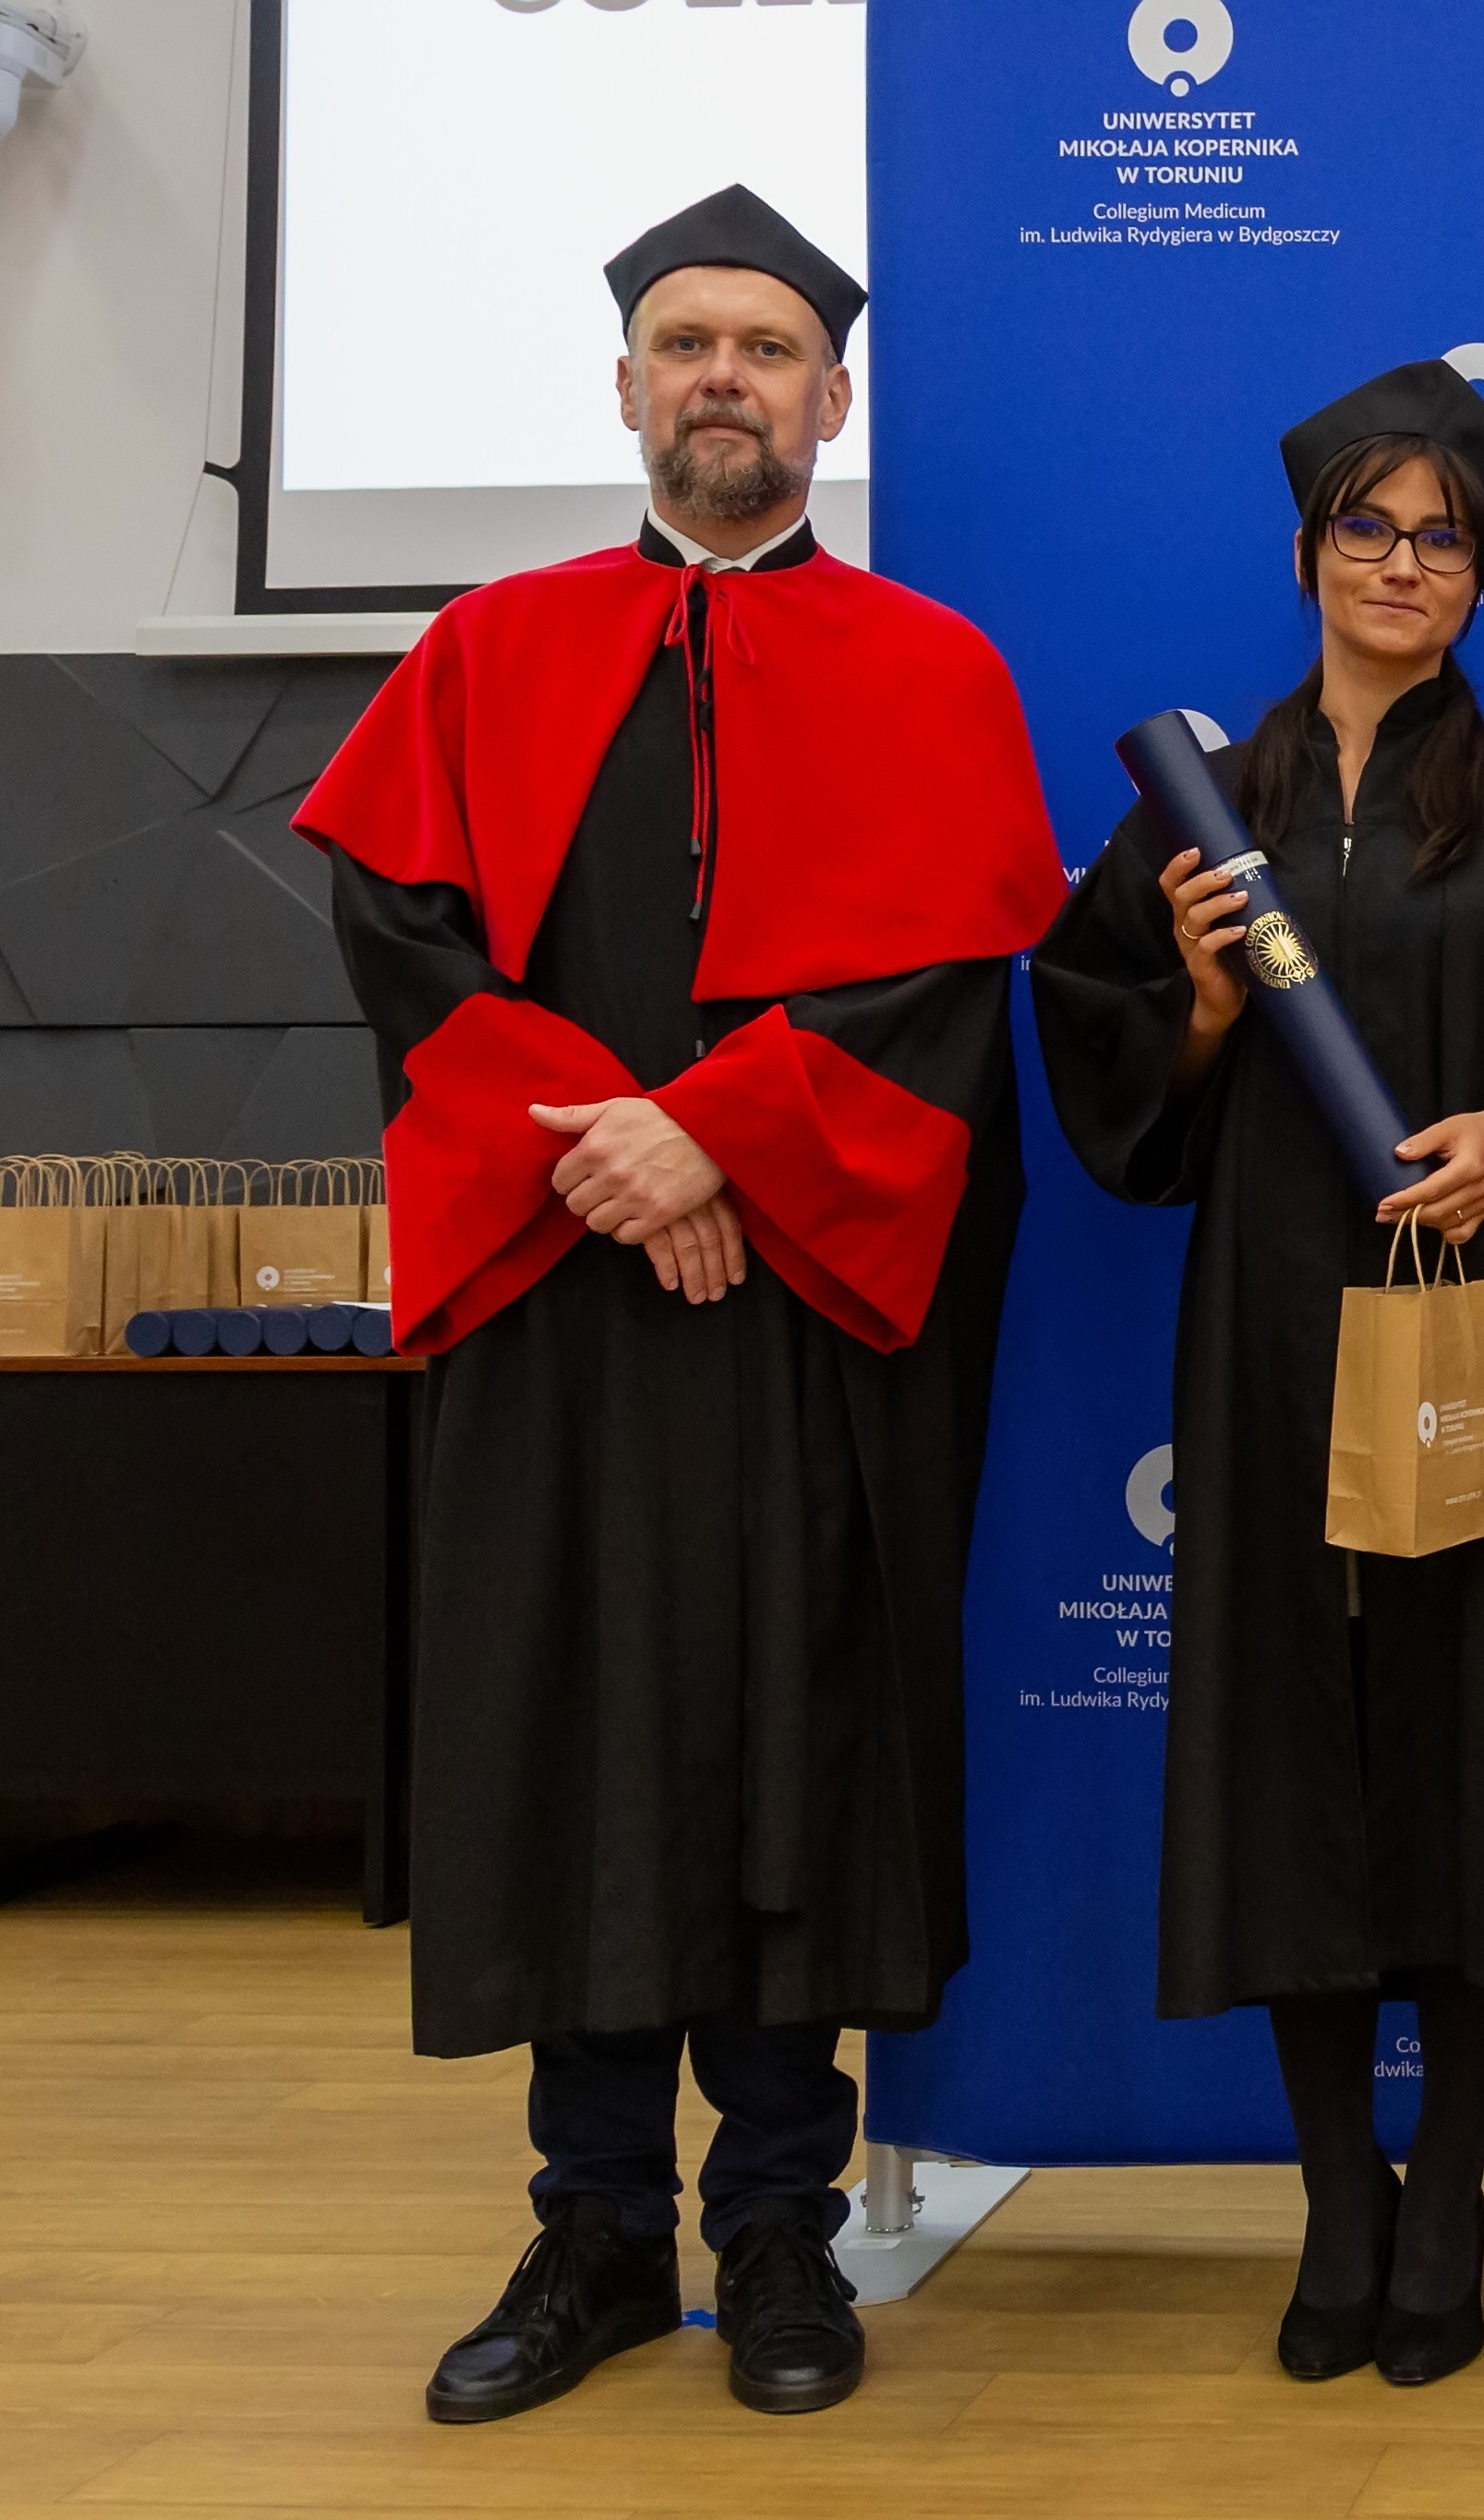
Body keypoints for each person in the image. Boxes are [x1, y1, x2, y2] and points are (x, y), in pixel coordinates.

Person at [294, 187, 1067, 2422]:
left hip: (808, 1321)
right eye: (685, 342)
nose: (725, 375)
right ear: (625, 384)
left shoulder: (930, 671)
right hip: (563, 1299)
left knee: (797, 1742)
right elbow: (405, 943)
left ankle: (780, 2231)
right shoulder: (487, 651)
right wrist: (613, 1156)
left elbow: (943, 997)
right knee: (576, 1734)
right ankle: (598, 2233)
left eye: (767, 346)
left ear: (834, 396)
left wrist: (721, 1137)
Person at [1029, 359, 1484, 2389]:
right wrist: (1201, 1002)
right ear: (1310, 550)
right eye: (1369, 529)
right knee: (1289, 1743)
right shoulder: (1194, 814)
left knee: (1481, 1733)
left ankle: (1455, 2184)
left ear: (1482, 576)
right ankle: (1339, 2189)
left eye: (1444, 540)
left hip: (1479, 1325)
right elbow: (1103, 1063)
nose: (1404, 565)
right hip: (1270, 1325)